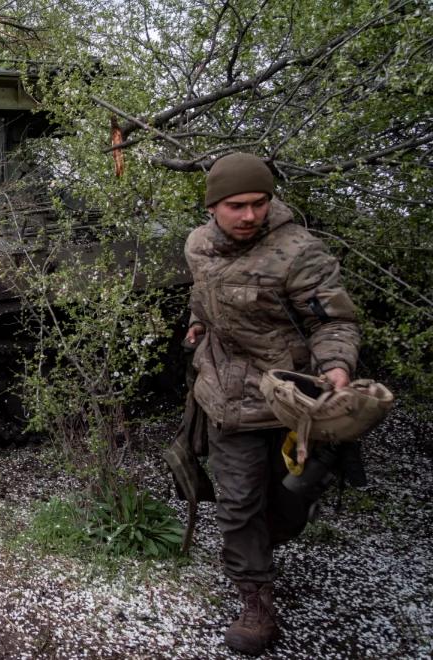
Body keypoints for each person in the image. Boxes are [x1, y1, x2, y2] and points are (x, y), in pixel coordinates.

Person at [184, 152, 360, 655]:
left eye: (259, 204)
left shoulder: (299, 253)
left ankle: (265, 541)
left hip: (289, 400)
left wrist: (337, 369)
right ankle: (255, 599)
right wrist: (198, 323)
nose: (249, 216)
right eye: (236, 205)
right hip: (224, 395)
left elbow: (334, 321)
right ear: (214, 206)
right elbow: (202, 291)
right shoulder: (198, 244)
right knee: (238, 502)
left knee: (289, 501)